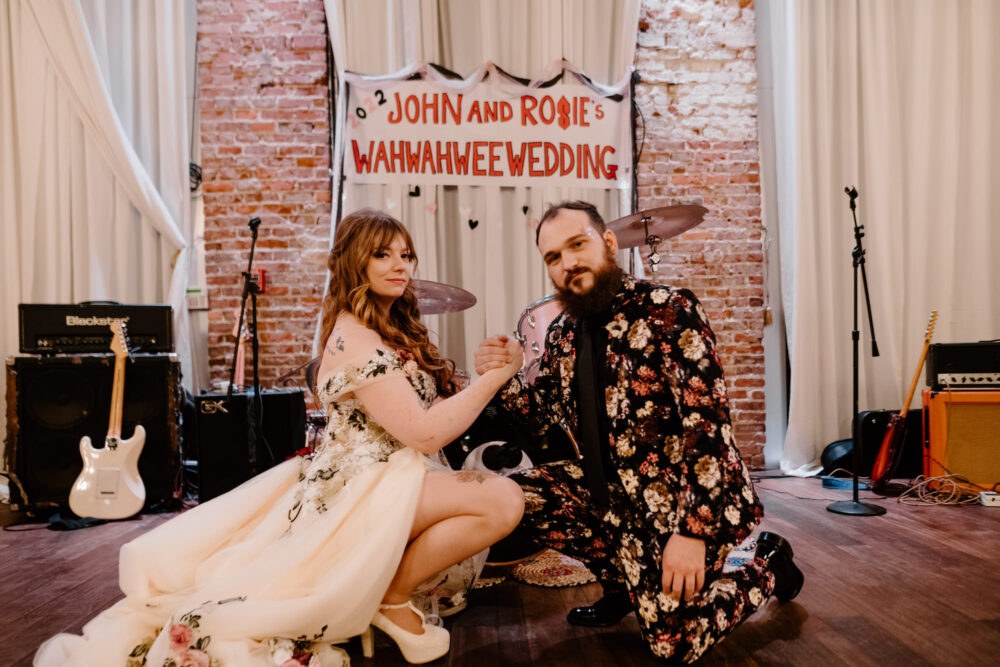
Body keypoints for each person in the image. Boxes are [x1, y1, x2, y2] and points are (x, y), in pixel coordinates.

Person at [35, 208, 525, 666]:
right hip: (365, 483)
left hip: (394, 472)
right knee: (503, 499)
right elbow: (423, 433)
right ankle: (391, 599)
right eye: (382, 254)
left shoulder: (385, 330)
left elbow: (424, 417)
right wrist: (496, 379)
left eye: (406, 254)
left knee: (495, 499)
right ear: (355, 262)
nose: (401, 265)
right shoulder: (356, 338)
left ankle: (385, 593)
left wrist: (481, 371)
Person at [475, 200, 803, 664]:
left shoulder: (669, 310)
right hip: (610, 494)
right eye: (553, 256)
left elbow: (708, 429)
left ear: (609, 243)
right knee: (514, 498)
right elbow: (542, 417)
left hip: (681, 501)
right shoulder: (563, 333)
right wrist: (501, 376)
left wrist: (691, 532)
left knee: (673, 645)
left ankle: (766, 563)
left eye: (577, 244)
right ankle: (622, 586)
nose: (568, 262)